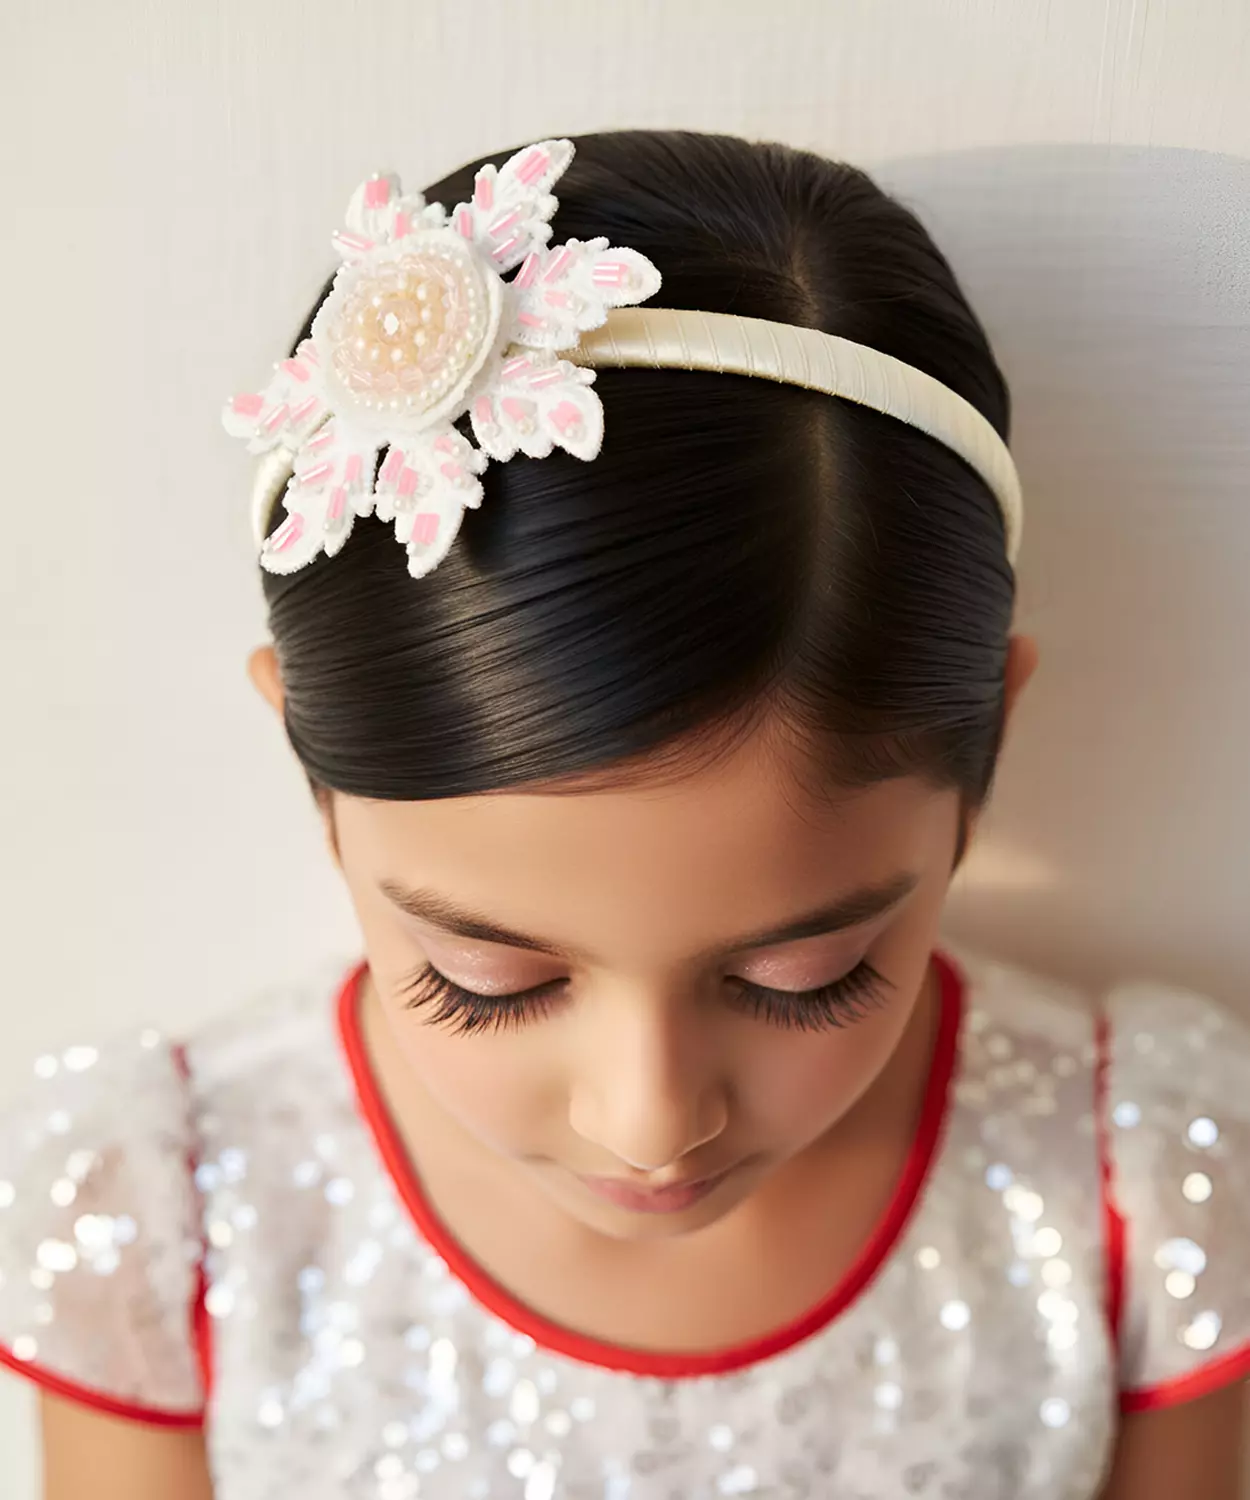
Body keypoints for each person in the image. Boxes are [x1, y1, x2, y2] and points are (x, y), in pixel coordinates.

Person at [1, 130, 1246, 1500]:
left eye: (806, 978)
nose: (650, 1123)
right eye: (483, 982)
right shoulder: (168, 1212)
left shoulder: (1134, 1182)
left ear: (987, 749)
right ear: (314, 774)